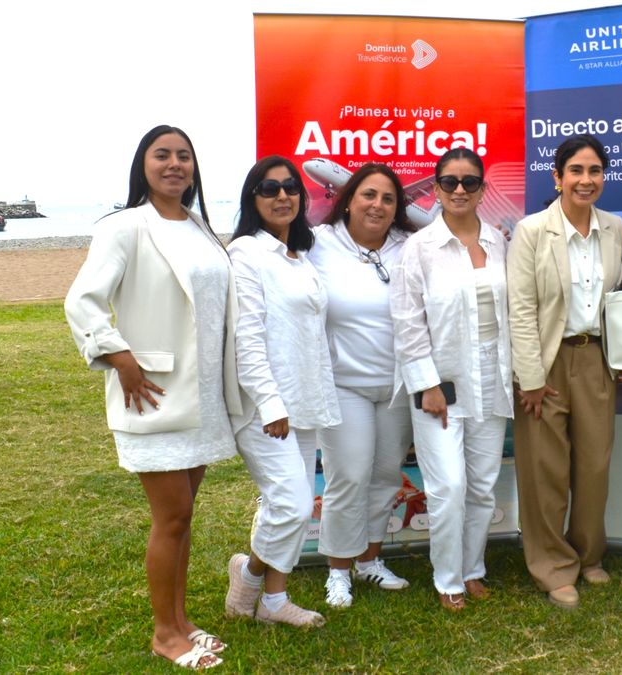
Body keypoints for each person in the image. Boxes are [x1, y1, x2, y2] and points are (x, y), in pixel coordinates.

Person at [64, 125, 237, 670]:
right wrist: (119, 357)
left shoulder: (202, 227)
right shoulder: (124, 227)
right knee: (172, 518)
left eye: (184, 156)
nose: (175, 164)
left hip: (203, 393)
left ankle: (183, 620)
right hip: (154, 392)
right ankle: (166, 634)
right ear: (143, 164)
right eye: (162, 155)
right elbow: (83, 302)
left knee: (185, 518)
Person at [390, 148, 515, 611]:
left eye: (468, 181)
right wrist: (426, 384)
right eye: (449, 181)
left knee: (482, 486)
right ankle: (448, 579)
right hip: (441, 382)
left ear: (482, 188)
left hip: (492, 375)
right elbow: (406, 323)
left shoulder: (501, 242)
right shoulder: (418, 249)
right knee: (448, 488)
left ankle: (473, 568)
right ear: (437, 188)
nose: (459, 189)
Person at [506, 134, 622, 609]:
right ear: (557, 177)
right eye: (576, 170)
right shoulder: (532, 230)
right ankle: (552, 565)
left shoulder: (615, 228)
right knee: (546, 470)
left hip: (597, 358)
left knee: (594, 466)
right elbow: (521, 308)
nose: (586, 179)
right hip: (547, 362)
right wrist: (530, 377)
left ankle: (588, 555)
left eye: (594, 170)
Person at [222, 156, 338, 628]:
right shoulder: (246, 254)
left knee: (291, 504)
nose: (282, 195)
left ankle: (273, 602)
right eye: (269, 188)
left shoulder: (301, 257)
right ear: (254, 199)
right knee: (290, 502)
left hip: (306, 398)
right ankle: (248, 573)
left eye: (290, 187)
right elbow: (246, 337)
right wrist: (270, 402)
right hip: (265, 405)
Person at [309, 163, 417, 608]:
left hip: (396, 385)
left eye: (388, 199)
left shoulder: (408, 247)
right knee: (348, 476)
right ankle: (337, 569)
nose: (377, 205)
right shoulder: (317, 243)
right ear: (348, 198)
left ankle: (370, 560)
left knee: (387, 476)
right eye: (369, 195)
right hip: (342, 384)